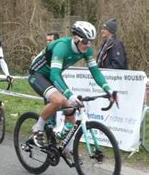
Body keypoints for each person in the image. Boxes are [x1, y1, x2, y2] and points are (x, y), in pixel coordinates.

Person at [28, 21, 117, 150]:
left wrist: (108, 89)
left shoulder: (87, 50)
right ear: (76, 38)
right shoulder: (61, 47)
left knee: (71, 109)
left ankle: (66, 149)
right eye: (85, 41)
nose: (88, 45)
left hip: (53, 75)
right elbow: (54, 75)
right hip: (37, 75)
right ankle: (38, 128)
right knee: (58, 100)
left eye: (90, 41)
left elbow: (95, 71)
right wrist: (69, 95)